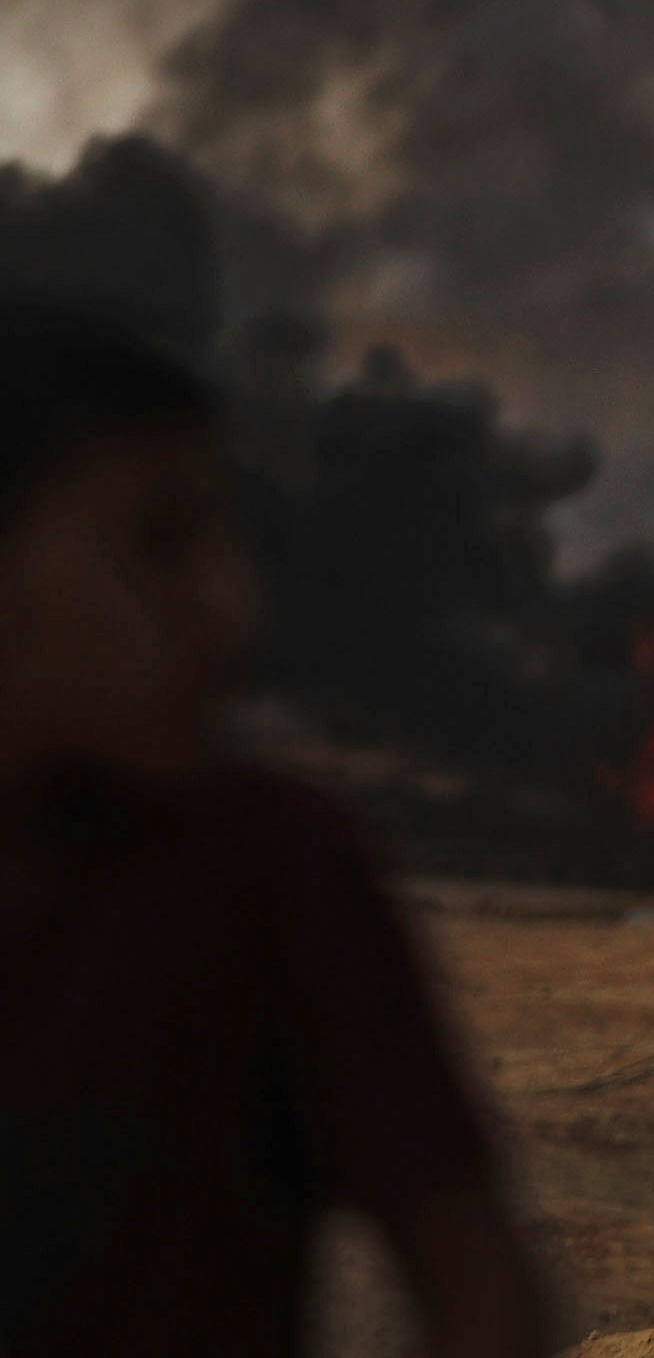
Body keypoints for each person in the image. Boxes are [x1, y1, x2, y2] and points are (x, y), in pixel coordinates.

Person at [0, 298, 559, 1358]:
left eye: (223, 537)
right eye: (158, 543)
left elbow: (485, 1293)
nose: (231, 604)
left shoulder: (266, 868)